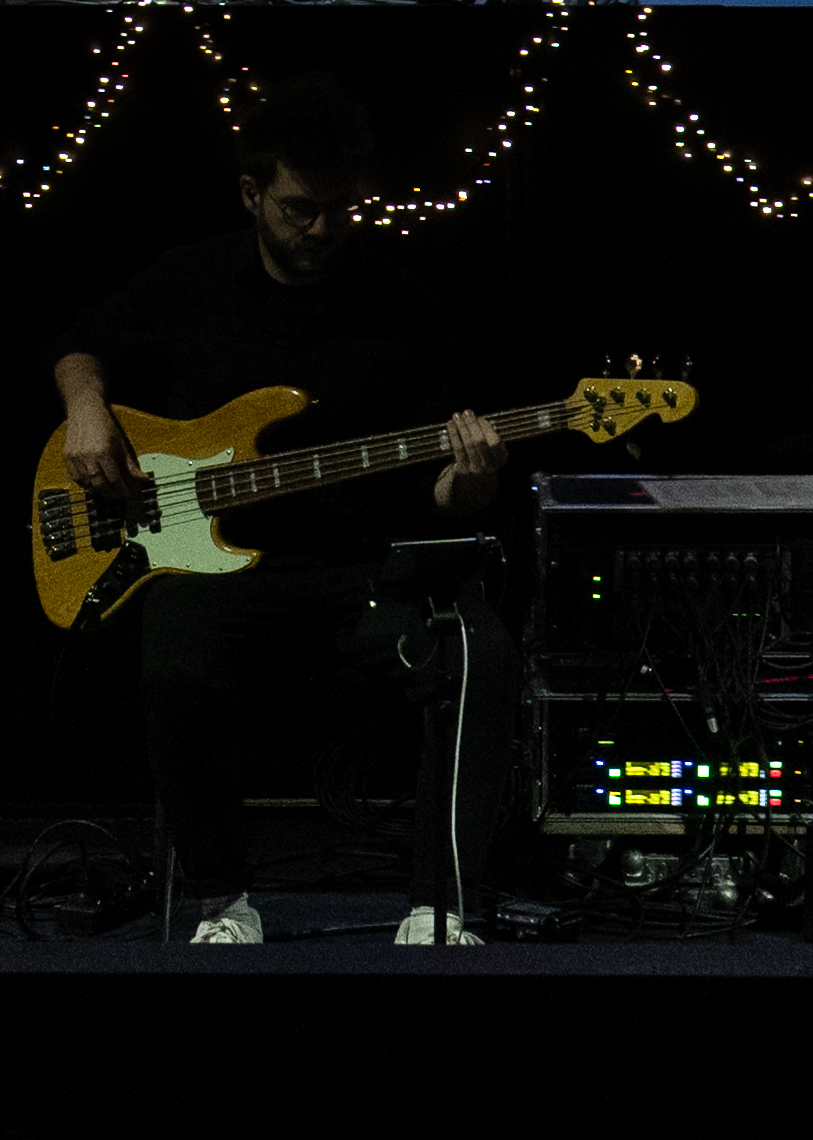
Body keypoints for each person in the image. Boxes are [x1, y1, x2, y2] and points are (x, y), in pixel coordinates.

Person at [45, 79, 532, 944]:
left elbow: (445, 490)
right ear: (251, 195)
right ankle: (219, 902)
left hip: (359, 570)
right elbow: (81, 342)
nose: (323, 230)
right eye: (300, 209)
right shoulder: (193, 276)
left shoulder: (403, 306)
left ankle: (440, 905)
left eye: (343, 208)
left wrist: (473, 477)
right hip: (214, 563)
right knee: (175, 670)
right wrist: (86, 410)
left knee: (476, 652)